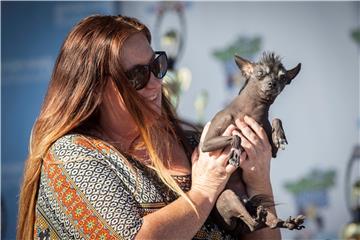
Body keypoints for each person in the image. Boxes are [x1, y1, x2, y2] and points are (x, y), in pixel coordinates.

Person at [17, 15, 281, 240]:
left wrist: (259, 184)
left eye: (157, 66)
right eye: (137, 77)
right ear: (95, 90)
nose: (155, 83)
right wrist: (204, 191)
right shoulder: (72, 157)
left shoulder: (194, 143)